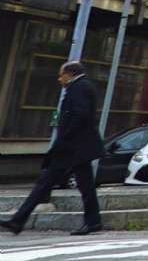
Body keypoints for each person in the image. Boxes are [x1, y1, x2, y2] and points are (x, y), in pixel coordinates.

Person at [3, 60, 105, 235]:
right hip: (76, 147)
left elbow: (80, 115)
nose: (59, 79)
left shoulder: (79, 87)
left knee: (48, 183)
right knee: (64, 184)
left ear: (70, 73)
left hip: (72, 147)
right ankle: (18, 220)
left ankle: (18, 221)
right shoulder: (82, 86)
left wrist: (64, 138)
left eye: (61, 75)